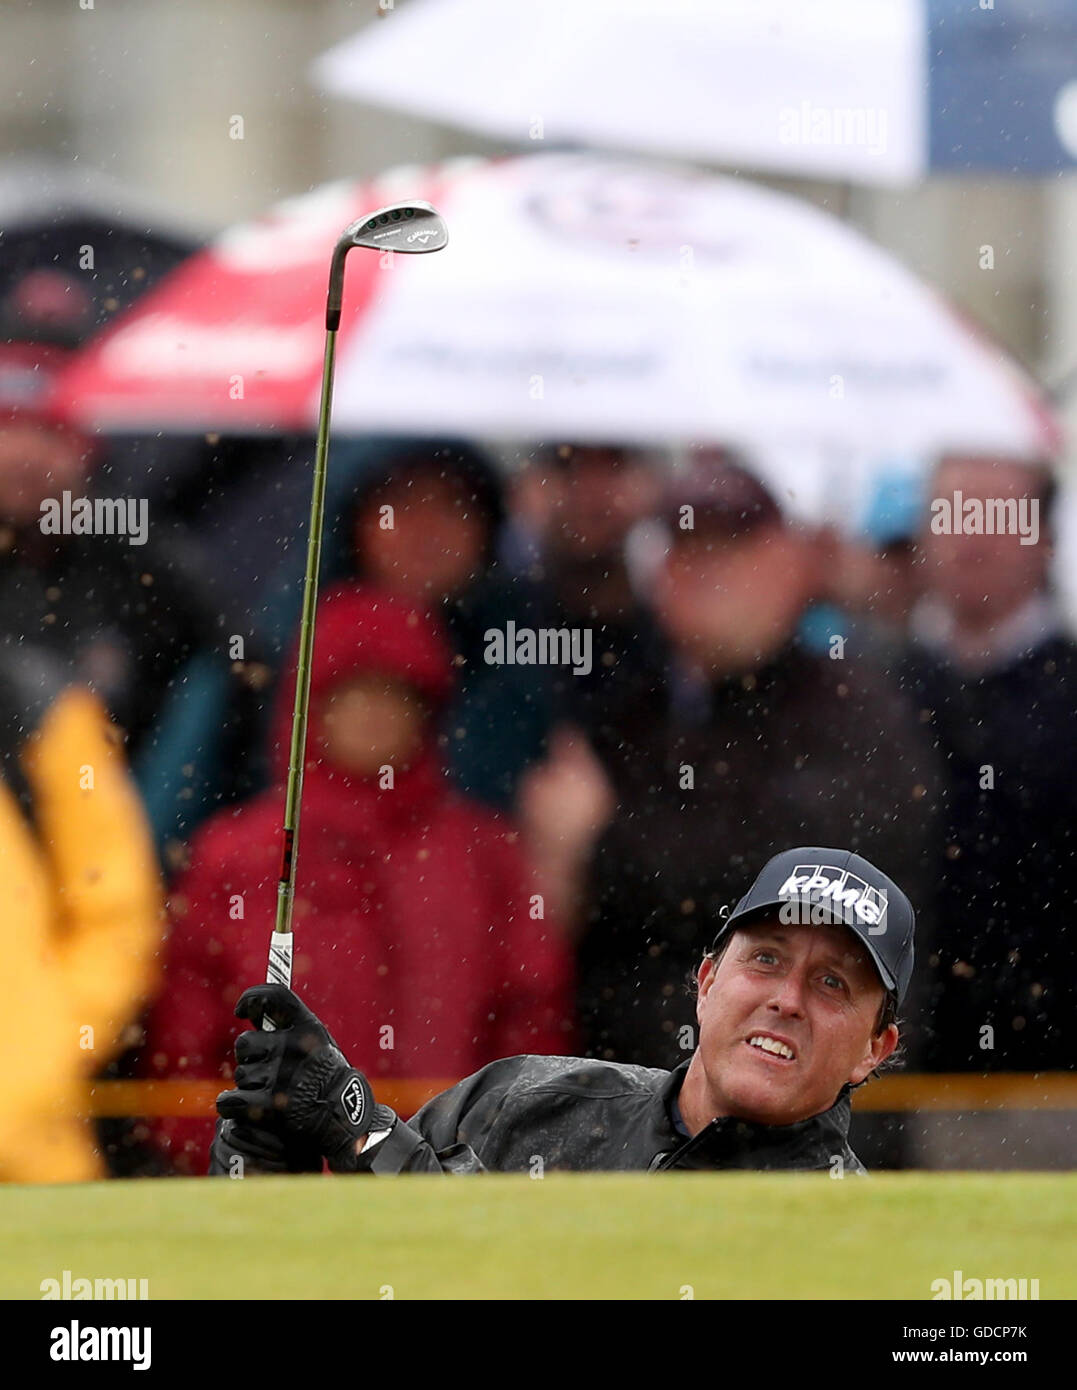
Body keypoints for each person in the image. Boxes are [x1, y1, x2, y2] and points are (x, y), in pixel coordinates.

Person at [140, 584, 573, 1174]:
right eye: (349, 693)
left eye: (395, 695)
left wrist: (473, 1167)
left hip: (446, 1197)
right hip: (277, 1207)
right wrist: (236, 1166)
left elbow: (530, 1028)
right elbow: (182, 1049)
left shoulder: (484, 855)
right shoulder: (234, 853)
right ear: (310, 708)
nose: (374, 714)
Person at [538, 458, 939, 1069]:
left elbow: (786, 877)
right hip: (640, 1093)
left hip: (801, 1100)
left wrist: (596, 841)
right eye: (685, 547)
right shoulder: (631, 709)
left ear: (789, 565)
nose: (700, 570)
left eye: (729, 549)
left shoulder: (852, 709)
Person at [208, 847, 908, 1176]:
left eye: (831, 985)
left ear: (875, 1049)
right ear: (705, 979)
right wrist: (269, 1159)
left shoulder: (851, 1234)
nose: (786, 999)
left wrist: (359, 1129)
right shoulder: (522, 1099)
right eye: (765, 959)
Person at [902, 453, 1076, 1070]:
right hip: (888, 1059)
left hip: (1048, 1068)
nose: (972, 535)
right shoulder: (874, 687)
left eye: (999, 513)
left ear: (1047, 541)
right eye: (952, 511)